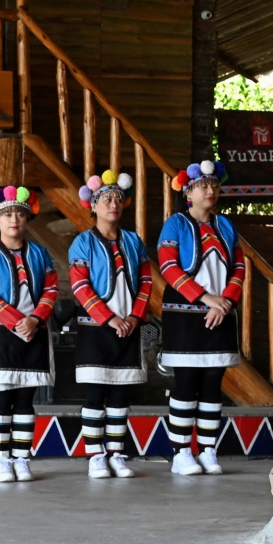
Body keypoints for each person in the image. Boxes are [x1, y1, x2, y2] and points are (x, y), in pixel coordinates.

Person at [155, 160, 245, 476]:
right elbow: (168, 266)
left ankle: (208, 449)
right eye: (203, 186)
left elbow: (239, 268)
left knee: (212, 383)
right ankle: (181, 452)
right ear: (188, 193)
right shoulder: (175, 224)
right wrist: (206, 298)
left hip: (220, 315)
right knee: (186, 382)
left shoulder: (225, 226)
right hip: (185, 315)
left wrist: (225, 303)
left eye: (214, 186)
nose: (210, 191)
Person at [0, 185, 57, 484]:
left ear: (27, 217)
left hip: (34, 332)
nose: (14, 219)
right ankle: (0, 460)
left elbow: (51, 288)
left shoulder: (40, 254)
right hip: (0, 334)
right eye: (7, 214)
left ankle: (21, 458)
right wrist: (15, 320)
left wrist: (35, 319)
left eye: (19, 213)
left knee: (25, 402)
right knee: (0, 400)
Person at [69, 170, 151, 479]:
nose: (112, 204)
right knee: (95, 394)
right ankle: (95, 455)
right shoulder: (82, 243)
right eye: (106, 199)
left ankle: (117, 453)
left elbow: (145, 282)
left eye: (117, 199)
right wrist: (111, 318)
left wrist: (133, 317)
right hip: (95, 329)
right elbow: (81, 287)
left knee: (120, 395)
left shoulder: (133, 241)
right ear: (92, 205)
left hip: (129, 328)